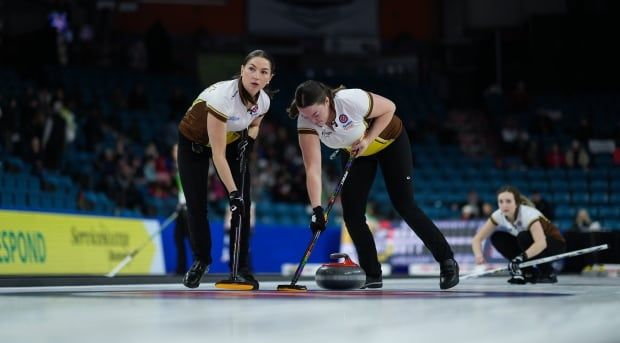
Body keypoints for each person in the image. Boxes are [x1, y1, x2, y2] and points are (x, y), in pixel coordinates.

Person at [287, 80, 459, 290]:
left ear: (327, 101)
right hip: (355, 152)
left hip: (389, 142)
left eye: (316, 114)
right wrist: (317, 209)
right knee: (352, 214)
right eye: (306, 115)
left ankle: (447, 261)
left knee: (405, 205)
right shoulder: (306, 122)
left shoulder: (350, 100)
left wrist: (368, 139)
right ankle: (372, 273)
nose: (314, 120)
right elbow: (313, 167)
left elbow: (390, 108)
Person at [176, 49, 275, 289]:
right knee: (197, 205)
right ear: (242, 70)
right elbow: (217, 155)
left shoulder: (264, 101)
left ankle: (240, 268)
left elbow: (255, 123)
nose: (256, 76)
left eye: (263, 72)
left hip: (231, 140)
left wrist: (249, 142)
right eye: (251, 69)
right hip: (194, 143)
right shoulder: (223, 97)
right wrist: (232, 193)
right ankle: (201, 260)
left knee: (244, 205)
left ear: (269, 78)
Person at [471, 186, 566, 284]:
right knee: (497, 237)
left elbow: (541, 243)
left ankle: (548, 272)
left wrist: (521, 257)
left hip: (554, 243)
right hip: (530, 242)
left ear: (516, 203)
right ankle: (528, 272)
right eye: (501, 201)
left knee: (523, 236)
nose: (504, 205)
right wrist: (479, 256)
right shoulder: (498, 215)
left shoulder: (528, 213)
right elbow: (477, 239)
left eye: (508, 201)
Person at [171, 143, 190, 275]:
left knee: (192, 239)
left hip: (189, 208)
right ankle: (180, 269)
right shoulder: (177, 166)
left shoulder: (187, 164)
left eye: (177, 150)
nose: (175, 152)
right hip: (181, 207)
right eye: (174, 150)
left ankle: (199, 267)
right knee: (178, 237)